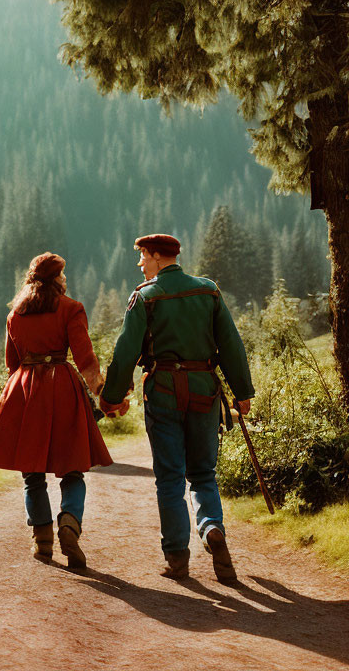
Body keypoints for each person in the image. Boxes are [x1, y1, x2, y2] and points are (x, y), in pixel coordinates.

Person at [98, 234, 254, 582]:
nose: (140, 263)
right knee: (202, 475)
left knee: (170, 478)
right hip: (204, 392)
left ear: (156, 256)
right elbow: (230, 343)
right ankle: (212, 527)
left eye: (142, 257)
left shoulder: (145, 297)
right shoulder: (208, 290)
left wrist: (110, 397)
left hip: (164, 392)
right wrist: (242, 392)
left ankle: (177, 560)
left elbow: (125, 353)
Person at [0, 252, 120, 567]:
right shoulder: (71, 309)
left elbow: (11, 364)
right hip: (62, 387)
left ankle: (42, 543)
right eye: (62, 275)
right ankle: (69, 520)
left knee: (32, 472)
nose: (65, 280)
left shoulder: (15, 315)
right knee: (72, 467)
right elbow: (85, 360)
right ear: (55, 280)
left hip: (24, 389)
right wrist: (103, 395)